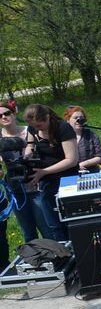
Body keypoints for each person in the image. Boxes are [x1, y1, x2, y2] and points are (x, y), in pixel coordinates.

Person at [22, 105, 78, 241]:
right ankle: (63, 254)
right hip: (46, 180)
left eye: (39, 125)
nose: (37, 129)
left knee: (70, 223)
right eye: (33, 126)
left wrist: (44, 171)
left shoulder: (63, 128)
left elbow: (72, 160)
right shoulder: (33, 128)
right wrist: (28, 155)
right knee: (54, 225)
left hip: (67, 179)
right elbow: (30, 145)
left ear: (47, 118)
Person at [1, 102, 34, 251]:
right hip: (15, 187)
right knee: (28, 230)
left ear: (14, 114)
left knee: (48, 227)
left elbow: (33, 151)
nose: (3, 117)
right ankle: (35, 259)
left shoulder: (29, 131)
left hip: (35, 182)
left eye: (7, 113)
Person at [63, 106, 101, 173]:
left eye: (81, 118)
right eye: (75, 118)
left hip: (90, 171)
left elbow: (100, 156)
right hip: (69, 173)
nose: (79, 120)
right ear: (68, 120)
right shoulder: (62, 136)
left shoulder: (91, 134)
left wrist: (82, 164)